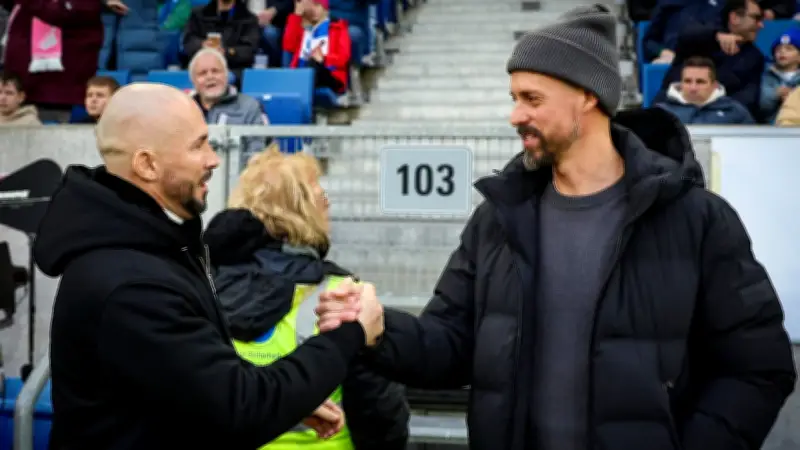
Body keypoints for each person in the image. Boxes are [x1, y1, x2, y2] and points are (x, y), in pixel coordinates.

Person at [316, 4, 797, 450]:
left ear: (588, 97)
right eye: (514, 97)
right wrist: (378, 331)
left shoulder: (697, 219)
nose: (514, 115)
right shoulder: (499, 219)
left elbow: (758, 368)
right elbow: (450, 344)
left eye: (531, 98)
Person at [33, 82, 385, 450]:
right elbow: (239, 410)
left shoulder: (155, 249)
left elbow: (190, 383)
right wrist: (350, 332)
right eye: (198, 145)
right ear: (147, 164)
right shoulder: (130, 282)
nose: (213, 159)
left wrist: (290, 402)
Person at [204, 147, 409, 450]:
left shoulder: (201, 289)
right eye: (320, 197)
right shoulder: (341, 294)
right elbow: (378, 411)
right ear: (305, 210)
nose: (327, 205)